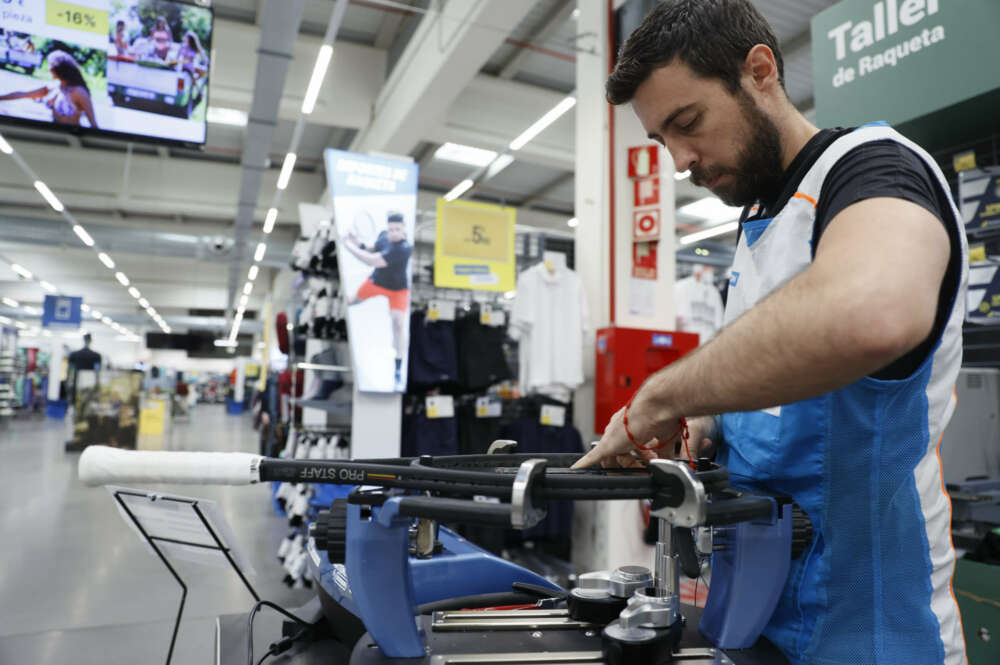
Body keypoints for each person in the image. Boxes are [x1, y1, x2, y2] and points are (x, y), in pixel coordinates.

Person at [573, 2, 968, 664]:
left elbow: (872, 312)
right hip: (758, 616)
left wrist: (660, 397)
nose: (677, 160)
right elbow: (781, 383)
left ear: (759, 71)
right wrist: (704, 420)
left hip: (869, 632)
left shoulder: (871, 170)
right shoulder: (758, 215)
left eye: (687, 123)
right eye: (659, 140)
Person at [342, 211, 412, 389]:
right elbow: (370, 248)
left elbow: (371, 260)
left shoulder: (404, 249)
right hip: (377, 282)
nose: (394, 232)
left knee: (398, 323)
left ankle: (398, 365)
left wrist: (348, 246)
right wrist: (356, 241)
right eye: (391, 229)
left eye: (397, 229)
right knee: (351, 301)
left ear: (403, 229)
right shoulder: (384, 237)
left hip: (397, 290)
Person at [0, 50, 98, 127]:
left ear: (59, 69)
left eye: (51, 66)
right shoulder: (53, 88)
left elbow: (93, 123)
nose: (49, 69)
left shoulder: (79, 92)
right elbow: (23, 94)